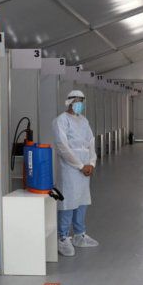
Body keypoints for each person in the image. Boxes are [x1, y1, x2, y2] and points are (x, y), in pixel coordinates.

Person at [52, 90, 99, 257]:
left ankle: (79, 235)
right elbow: (63, 147)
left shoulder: (84, 121)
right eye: (77, 100)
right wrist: (80, 165)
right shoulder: (61, 120)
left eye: (82, 101)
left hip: (85, 166)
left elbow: (91, 142)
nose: (80, 104)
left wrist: (91, 163)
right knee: (68, 201)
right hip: (70, 168)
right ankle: (63, 237)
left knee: (82, 200)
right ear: (69, 102)